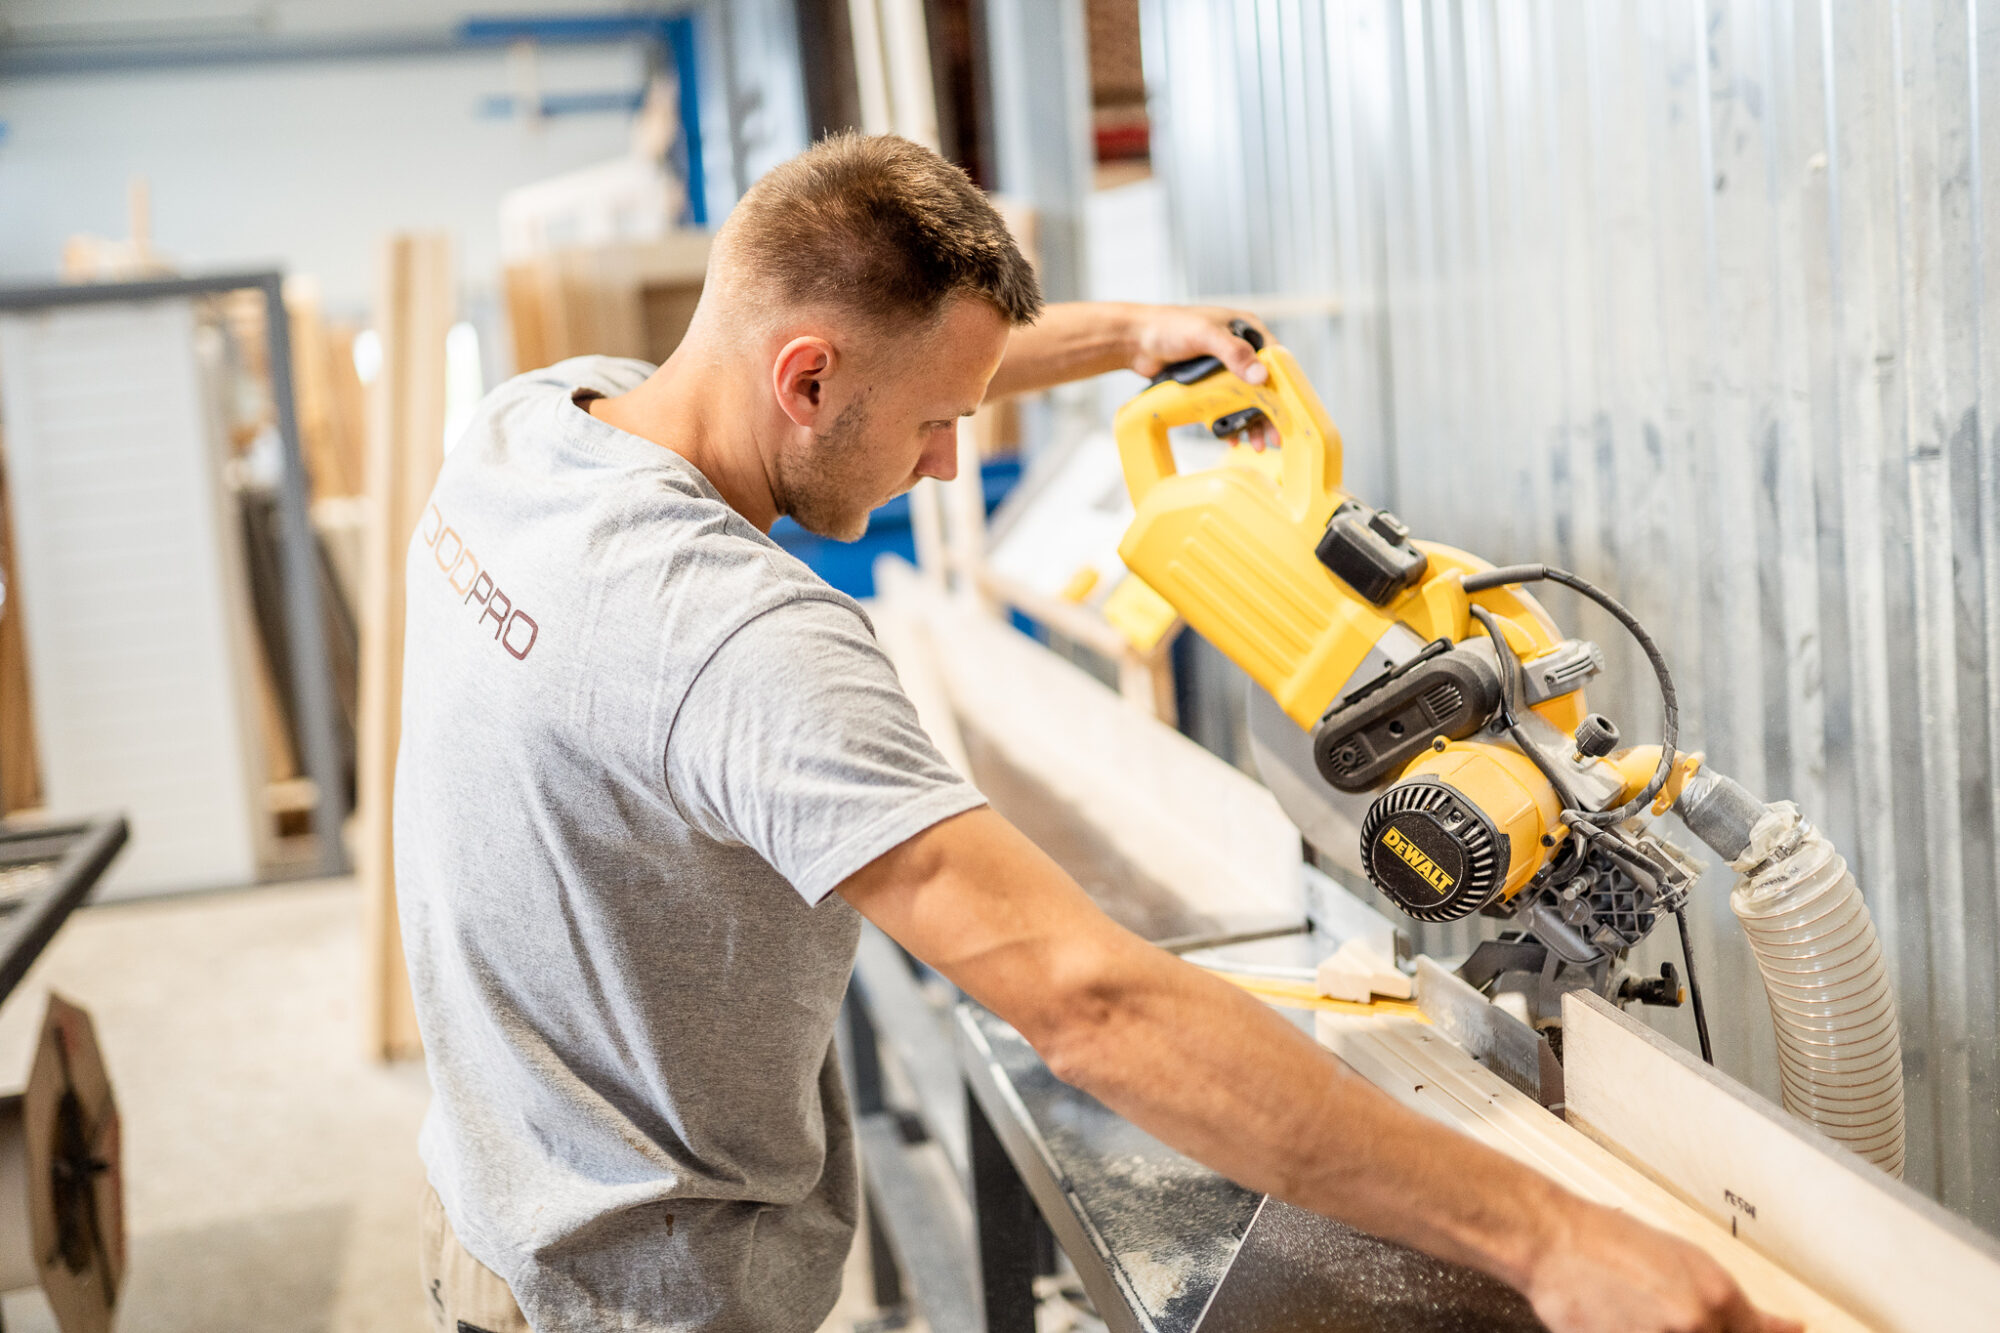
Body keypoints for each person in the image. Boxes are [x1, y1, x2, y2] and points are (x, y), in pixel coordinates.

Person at [397, 131, 1797, 1333]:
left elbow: (886, 369)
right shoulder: (739, 637)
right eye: (936, 424)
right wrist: (1551, 1235)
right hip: (641, 1294)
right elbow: (1090, 1002)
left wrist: (1126, 339)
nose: (949, 456)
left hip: (498, 1202)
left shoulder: (538, 427)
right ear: (805, 381)